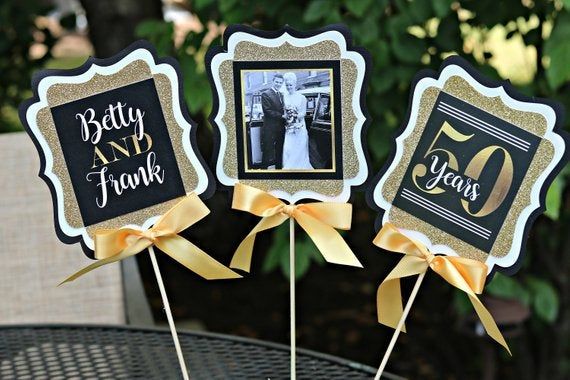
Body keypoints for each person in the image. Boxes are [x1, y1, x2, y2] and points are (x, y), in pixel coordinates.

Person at [282, 72, 313, 170]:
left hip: (299, 127)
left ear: (295, 84)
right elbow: (284, 112)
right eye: (287, 85)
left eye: (290, 85)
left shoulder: (301, 97)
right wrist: (287, 116)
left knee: (299, 150)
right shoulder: (284, 97)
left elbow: (303, 113)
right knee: (288, 148)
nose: (288, 87)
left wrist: (295, 115)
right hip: (289, 128)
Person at [260, 73, 285, 169]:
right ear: (273, 82)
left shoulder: (281, 95)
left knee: (280, 150)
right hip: (270, 128)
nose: (278, 84)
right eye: (277, 82)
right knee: (267, 150)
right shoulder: (266, 94)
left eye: (280, 82)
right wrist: (282, 116)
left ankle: (278, 170)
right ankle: (263, 172)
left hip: (280, 128)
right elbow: (267, 111)